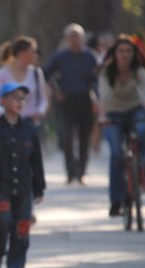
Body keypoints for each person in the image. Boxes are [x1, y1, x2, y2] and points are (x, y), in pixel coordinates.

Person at [98, 35, 145, 216]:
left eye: (128, 51)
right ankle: (116, 201)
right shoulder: (106, 72)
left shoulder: (138, 71)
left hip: (135, 111)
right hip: (113, 114)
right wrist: (102, 116)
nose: (124, 55)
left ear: (134, 54)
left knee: (142, 132)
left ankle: (140, 164)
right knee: (117, 153)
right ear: (114, 54)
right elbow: (104, 96)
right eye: (121, 51)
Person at [0, 83, 46, 268]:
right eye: (14, 97)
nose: (19, 102)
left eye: (22, 98)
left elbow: (36, 161)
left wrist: (39, 188)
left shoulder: (30, 129)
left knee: (22, 225)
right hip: (1, 186)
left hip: (24, 187)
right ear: (3, 101)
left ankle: (16, 264)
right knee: (3, 221)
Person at [44, 23, 98, 184]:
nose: (75, 41)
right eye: (71, 37)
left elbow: (97, 79)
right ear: (67, 39)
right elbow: (46, 73)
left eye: (77, 37)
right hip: (66, 101)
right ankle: (70, 172)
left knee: (83, 138)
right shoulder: (61, 56)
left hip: (85, 100)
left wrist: (96, 96)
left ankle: (81, 172)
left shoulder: (91, 56)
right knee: (66, 138)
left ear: (83, 39)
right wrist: (56, 89)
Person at [0, 36, 48, 129]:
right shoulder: (1, 73)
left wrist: (40, 112)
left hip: (32, 124)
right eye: (33, 52)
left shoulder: (37, 73)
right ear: (22, 53)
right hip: (9, 124)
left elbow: (43, 100)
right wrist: (7, 116)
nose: (37, 55)